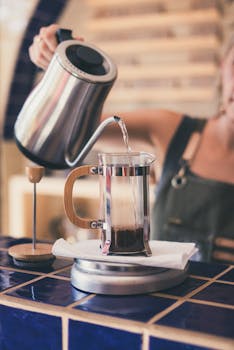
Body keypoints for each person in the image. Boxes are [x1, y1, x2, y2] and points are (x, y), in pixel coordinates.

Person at [29, 24, 234, 263]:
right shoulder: (173, 131)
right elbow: (71, 129)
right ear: (222, 68)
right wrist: (59, 73)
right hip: (161, 297)